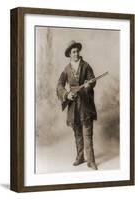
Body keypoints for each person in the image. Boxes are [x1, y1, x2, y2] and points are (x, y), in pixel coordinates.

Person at [56, 40, 98, 170]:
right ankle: (80, 158)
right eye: (73, 52)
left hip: (85, 105)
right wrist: (67, 95)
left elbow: (93, 80)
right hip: (73, 107)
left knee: (87, 133)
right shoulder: (66, 69)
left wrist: (88, 85)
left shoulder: (86, 66)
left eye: (77, 51)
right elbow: (59, 85)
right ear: (69, 54)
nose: (76, 53)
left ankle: (90, 161)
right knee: (78, 134)